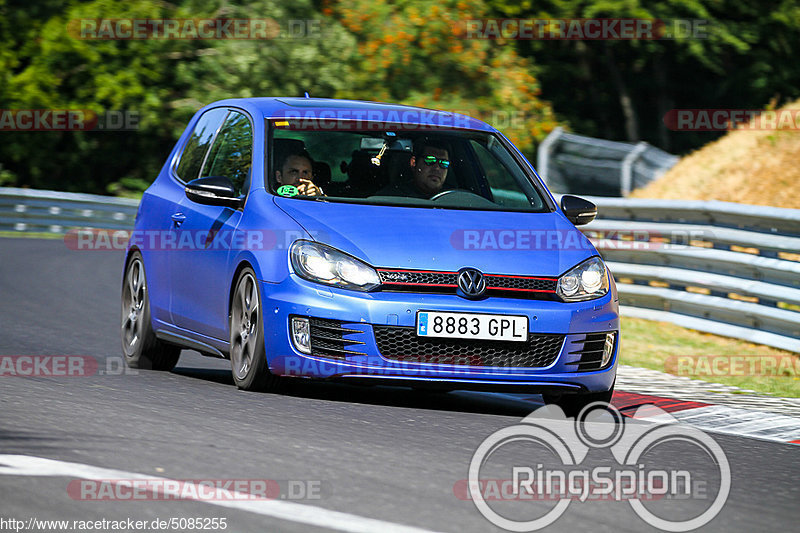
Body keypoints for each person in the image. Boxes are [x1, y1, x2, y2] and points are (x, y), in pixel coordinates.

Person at [378, 141, 451, 199]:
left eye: (444, 163)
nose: (437, 168)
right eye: (430, 160)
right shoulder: (391, 197)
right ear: (413, 163)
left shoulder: (455, 198)